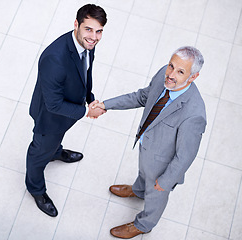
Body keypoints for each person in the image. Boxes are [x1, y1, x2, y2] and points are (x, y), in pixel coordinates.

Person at [88, 46, 206, 238]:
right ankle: (139, 190)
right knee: (143, 173)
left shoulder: (194, 114)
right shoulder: (164, 74)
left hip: (163, 166)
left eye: (180, 71)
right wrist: (106, 105)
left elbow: (185, 156)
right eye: (171, 66)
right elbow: (143, 96)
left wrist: (166, 181)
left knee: (157, 195)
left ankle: (143, 225)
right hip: (147, 147)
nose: (171, 74)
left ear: (193, 77)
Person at [26, 4, 107, 217]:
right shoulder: (55, 59)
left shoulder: (87, 44)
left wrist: (89, 97)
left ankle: (55, 152)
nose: (94, 37)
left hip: (68, 109)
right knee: (38, 152)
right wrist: (86, 111)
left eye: (98, 31)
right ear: (76, 25)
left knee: (54, 143)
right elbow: (53, 105)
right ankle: (36, 189)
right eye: (88, 29)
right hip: (49, 118)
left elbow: (85, 72)